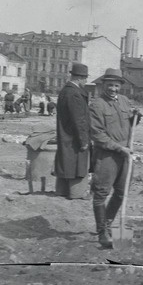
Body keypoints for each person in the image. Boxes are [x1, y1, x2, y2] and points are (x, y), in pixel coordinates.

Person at [90, 68, 139, 248]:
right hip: (107, 155)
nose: (113, 89)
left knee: (121, 192)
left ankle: (109, 225)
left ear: (120, 86)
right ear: (103, 85)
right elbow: (97, 134)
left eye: (116, 85)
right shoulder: (97, 105)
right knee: (101, 194)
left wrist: (136, 117)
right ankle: (102, 232)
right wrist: (119, 148)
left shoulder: (125, 101)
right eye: (110, 85)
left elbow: (128, 124)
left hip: (126, 155)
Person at [54, 63, 91, 201]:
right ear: (80, 78)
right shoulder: (75, 94)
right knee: (76, 165)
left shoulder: (65, 91)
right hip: (74, 137)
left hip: (65, 134)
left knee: (65, 163)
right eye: (85, 79)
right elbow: (79, 120)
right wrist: (83, 140)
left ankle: (62, 191)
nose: (86, 82)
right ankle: (77, 193)